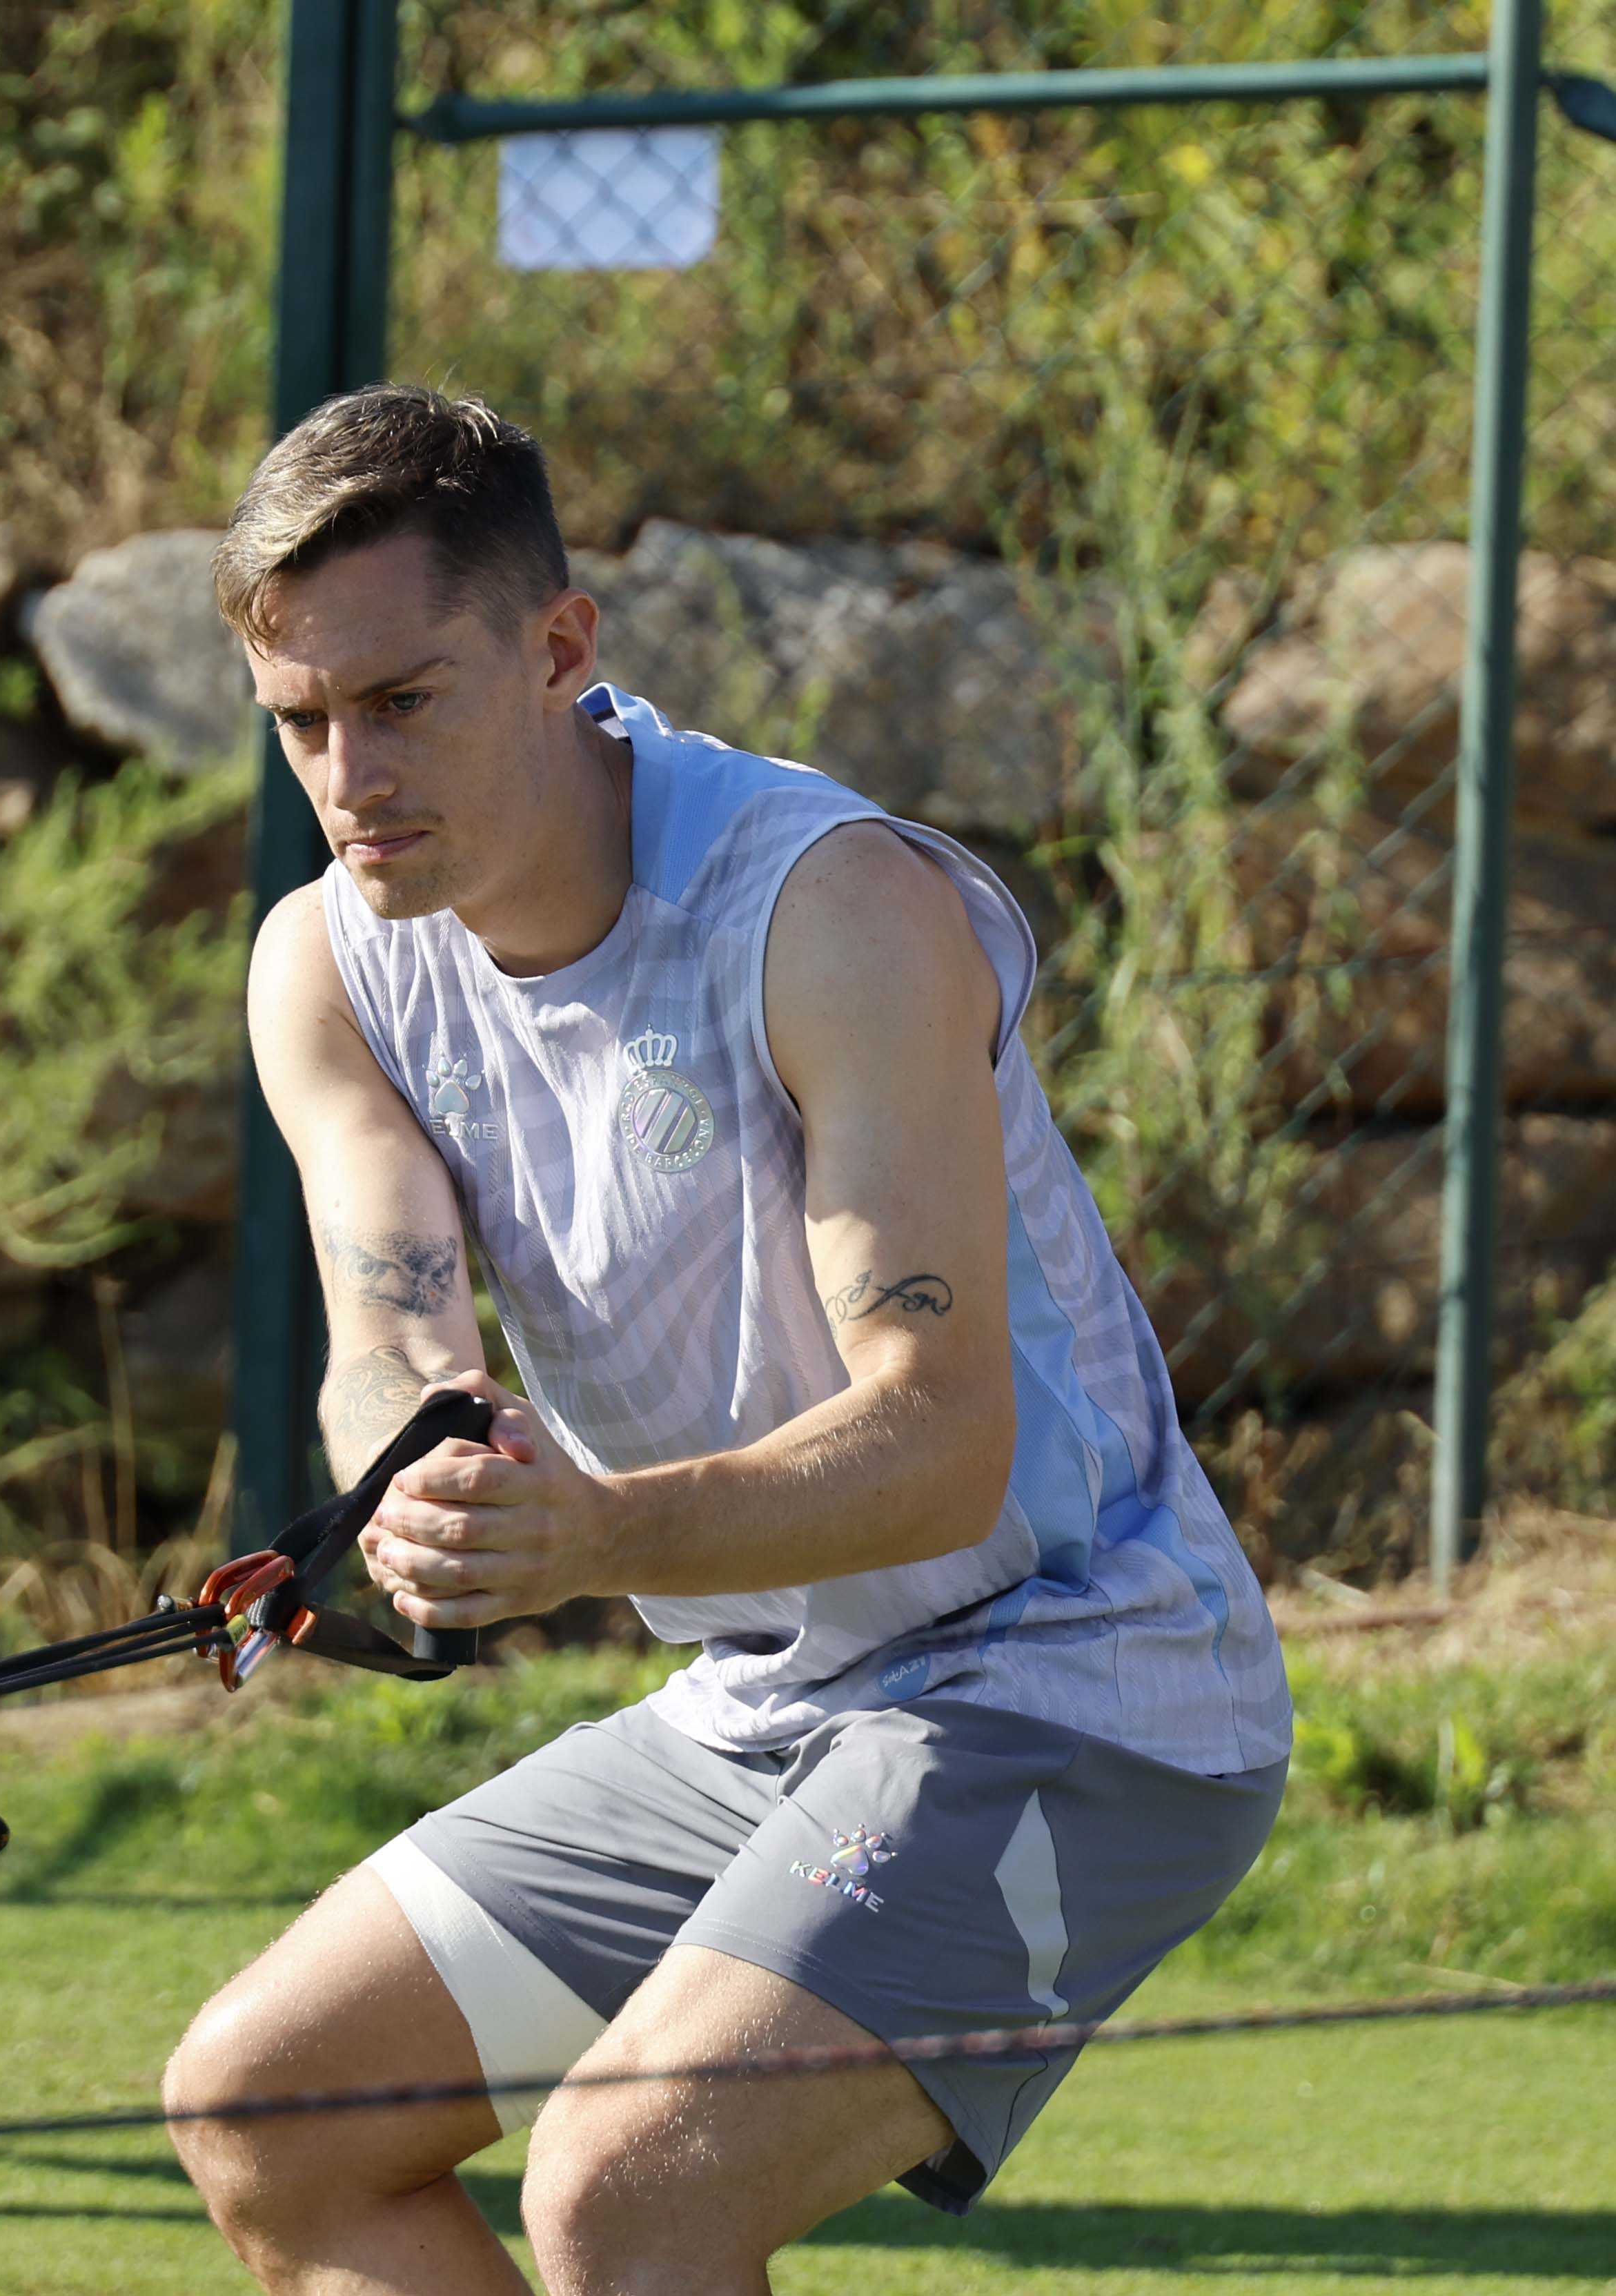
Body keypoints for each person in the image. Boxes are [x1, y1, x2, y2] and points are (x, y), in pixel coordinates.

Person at [159, 385, 1292, 2294]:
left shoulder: (828, 908)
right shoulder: (327, 959)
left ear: (558, 651)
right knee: (273, 2113)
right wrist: (423, 1475)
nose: (349, 775)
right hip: (766, 1702)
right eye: (300, 721)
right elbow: (391, 1337)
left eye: (402, 700)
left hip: (1081, 1681)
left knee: (628, 2186)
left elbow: (938, 1444)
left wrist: (594, 1535)